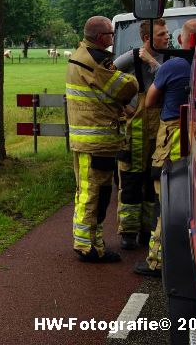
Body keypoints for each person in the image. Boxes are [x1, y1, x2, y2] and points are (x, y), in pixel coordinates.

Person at [66, 16, 139, 263]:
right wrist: (131, 80)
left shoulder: (83, 54)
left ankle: (92, 242)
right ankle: (87, 246)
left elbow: (102, 94)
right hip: (96, 140)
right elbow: (126, 88)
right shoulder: (96, 61)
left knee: (94, 191)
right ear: (100, 38)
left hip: (92, 140)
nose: (113, 38)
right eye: (110, 33)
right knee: (93, 193)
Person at [134, 18, 196, 276]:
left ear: (183, 41)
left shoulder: (173, 65)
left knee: (167, 199)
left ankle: (158, 261)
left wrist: (156, 68)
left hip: (172, 134)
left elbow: (150, 102)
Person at [114, 19, 170, 250]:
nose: (167, 38)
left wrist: (154, 63)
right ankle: (128, 232)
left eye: (167, 34)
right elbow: (107, 78)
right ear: (147, 39)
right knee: (131, 181)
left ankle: (147, 231)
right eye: (161, 34)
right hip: (134, 133)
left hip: (159, 132)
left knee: (152, 181)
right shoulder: (131, 57)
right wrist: (122, 106)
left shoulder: (169, 59)